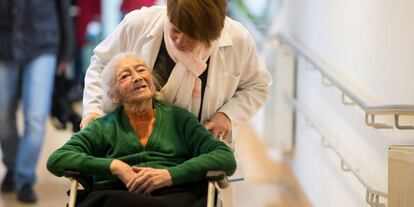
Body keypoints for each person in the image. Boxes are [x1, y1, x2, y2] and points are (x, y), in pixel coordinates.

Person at [47, 53, 237, 207]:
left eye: (140, 70)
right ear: (113, 96)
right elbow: (57, 160)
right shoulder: (103, 127)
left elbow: (225, 158)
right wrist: (114, 166)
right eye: (125, 76)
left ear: (153, 83)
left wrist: (170, 175)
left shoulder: (179, 119)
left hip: (174, 195)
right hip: (118, 196)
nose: (137, 77)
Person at [81, 0, 272, 142]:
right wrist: (93, 111)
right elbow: (101, 65)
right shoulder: (137, 24)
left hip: (195, 152)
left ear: (212, 32)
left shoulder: (238, 39)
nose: (180, 41)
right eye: (175, 30)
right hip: (131, 142)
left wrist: (228, 116)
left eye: (192, 36)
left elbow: (257, 86)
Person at [0, 0, 73, 203]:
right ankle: (12, 167)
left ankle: (24, 178)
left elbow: (63, 8)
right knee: (3, 115)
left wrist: (66, 51)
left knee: (35, 116)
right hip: (5, 44)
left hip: (44, 43)